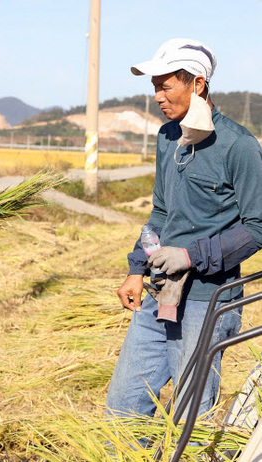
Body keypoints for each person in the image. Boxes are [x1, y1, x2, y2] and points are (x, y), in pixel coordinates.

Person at [106, 38, 262, 420]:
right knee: (124, 405)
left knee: (190, 414)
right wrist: (136, 269)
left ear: (197, 85)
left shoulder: (237, 146)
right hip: (161, 292)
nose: (157, 97)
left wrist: (193, 256)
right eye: (154, 87)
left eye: (165, 86)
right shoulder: (167, 138)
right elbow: (160, 212)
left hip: (206, 301)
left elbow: (257, 227)